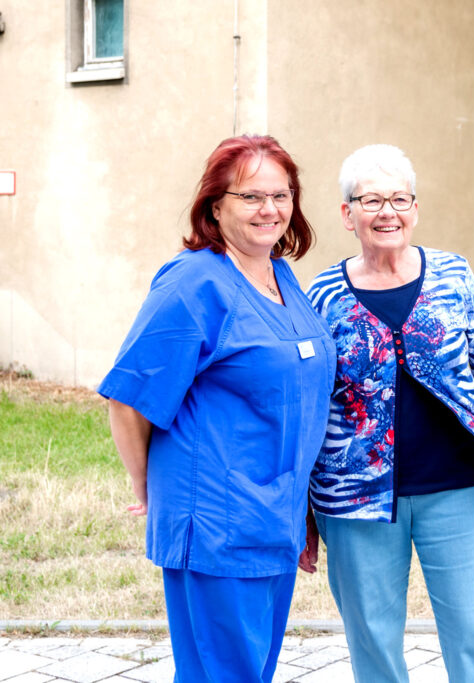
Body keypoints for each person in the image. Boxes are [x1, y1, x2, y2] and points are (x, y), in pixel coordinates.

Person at [98, 135, 336, 683]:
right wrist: (148, 487)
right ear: (215, 205)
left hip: (274, 517)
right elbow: (130, 398)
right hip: (216, 523)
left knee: (250, 672)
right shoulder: (193, 282)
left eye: (281, 195)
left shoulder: (282, 277)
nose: (269, 209)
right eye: (251, 196)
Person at [300, 144, 474, 682]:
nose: (387, 212)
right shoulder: (322, 297)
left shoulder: (453, 275)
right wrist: (302, 513)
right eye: (371, 199)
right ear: (347, 214)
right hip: (355, 503)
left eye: (400, 198)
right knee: (373, 644)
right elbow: (307, 410)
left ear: (415, 209)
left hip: (461, 488)